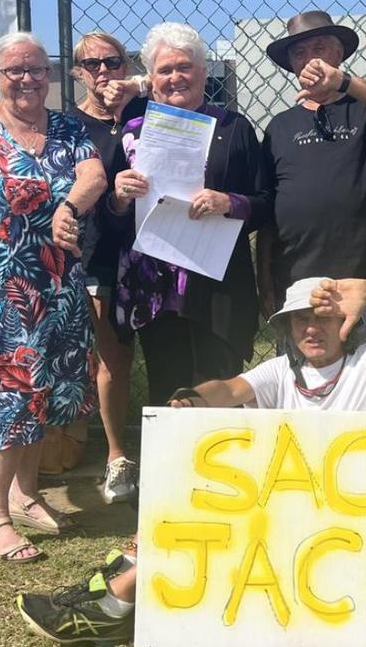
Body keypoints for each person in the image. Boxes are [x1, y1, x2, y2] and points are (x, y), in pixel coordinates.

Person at [15, 276, 366, 643]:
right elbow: (229, 389)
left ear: (345, 321)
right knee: (206, 477)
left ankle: (116, 603)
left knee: (227, 513)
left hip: (355, 519)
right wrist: (191, 399)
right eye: (300, 318)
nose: (311, 327)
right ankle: (126, 572)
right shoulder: (283, 371)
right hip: (292, 516)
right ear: (288, 326)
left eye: (323, 317)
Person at [0, 31, 108, 562]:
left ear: (50, 76)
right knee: (6, 394)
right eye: (15, 70)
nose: (28, 79)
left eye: (36, 69)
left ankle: (26, 495)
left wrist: (67, 209)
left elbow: (94, 175)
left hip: (57, 285)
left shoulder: (67, 128)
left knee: (44, 389)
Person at [107, 22, 271, 405]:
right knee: (167, 387)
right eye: (165, 70)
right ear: (150, 78)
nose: (176, 77)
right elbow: (111, 220)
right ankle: (171, 463)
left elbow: (267, 202)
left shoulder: (234, 128)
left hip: (217, 280)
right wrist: (118, 197)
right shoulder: (132, 133)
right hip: (155, 287)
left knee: (222, 385)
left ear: (202, 71)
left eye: (185, 67)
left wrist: (230, 203)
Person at [257, 11, 366, 326]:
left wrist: (344, 82)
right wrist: (265, 280)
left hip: (365, 279)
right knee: (304, 375)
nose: (309, 59)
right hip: (298, 282)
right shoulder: (279, 127)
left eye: (319, 49)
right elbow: (268, 213)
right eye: (299, 53)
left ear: (338, 53)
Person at [65, 31, 149, 502]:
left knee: (138, 354)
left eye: (112, 62)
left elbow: (177, 78)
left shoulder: (146, 110)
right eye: (90, 63)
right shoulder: (69, 125)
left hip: (153, 250)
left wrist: (135, 88)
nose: (102, 71)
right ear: (77, 70)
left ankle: (149, 449)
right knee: (109, 358)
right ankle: (116, 455)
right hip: (96, 252)